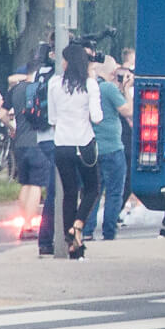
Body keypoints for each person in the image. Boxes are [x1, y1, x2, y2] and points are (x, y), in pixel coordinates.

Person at [48, 43, 103, 259]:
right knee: (92, 189)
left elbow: (52, 118)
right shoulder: (90, 84)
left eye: (64, 60)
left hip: (62, 144)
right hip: (84, 144)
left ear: (69, 62)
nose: (61, 63)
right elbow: (97, 117)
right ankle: (78, 225)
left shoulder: (54, 84)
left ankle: (73, 244)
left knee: (69, 192)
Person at [6, 53, 54, 242]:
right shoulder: (39, 89)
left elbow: (3, 114)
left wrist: (13, 129)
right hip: (36, 142)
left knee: (25, 184)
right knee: (36, 185)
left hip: (20, 144)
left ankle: (23, 221)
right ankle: (28, 225)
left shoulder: (16, 90)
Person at [92, 56, 131, 240]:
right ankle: (109, 232)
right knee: (114, 192)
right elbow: (128, 110)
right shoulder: (107, 87)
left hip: (94, 148)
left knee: (94, 191)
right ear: (111, 72)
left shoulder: (91, 86)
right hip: (112, 147)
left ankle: (86, 230)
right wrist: (128, 91)